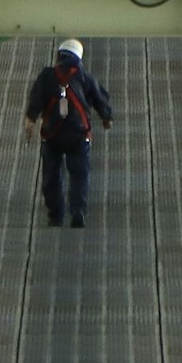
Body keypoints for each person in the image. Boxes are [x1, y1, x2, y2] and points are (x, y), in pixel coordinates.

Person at [24, 38, 113, 228]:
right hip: (78, 134)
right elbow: (100, 97)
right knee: (80, 174)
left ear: (59, 55)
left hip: (52, 134)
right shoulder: (84, 76)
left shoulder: (47, 75)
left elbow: (36, 99)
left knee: (52, 175)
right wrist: (107, 117)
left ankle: (55, 214)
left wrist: (30, 120)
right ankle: (78, 211)